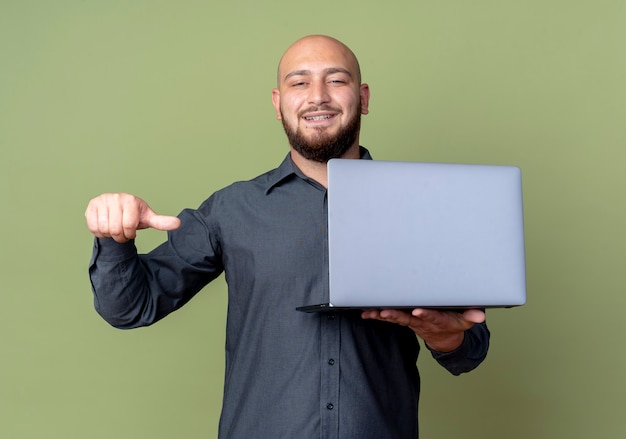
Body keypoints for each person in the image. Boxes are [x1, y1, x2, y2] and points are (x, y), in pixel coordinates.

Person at [85, 35, 490, 439]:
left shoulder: (420, 206)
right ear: (279, 104)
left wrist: (449, 337)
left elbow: (470, 347)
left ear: (363, 98)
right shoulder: (232, 209)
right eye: (300, 83)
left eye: (336, 80)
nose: (318, 97)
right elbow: (130, 308)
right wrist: (113, 238)